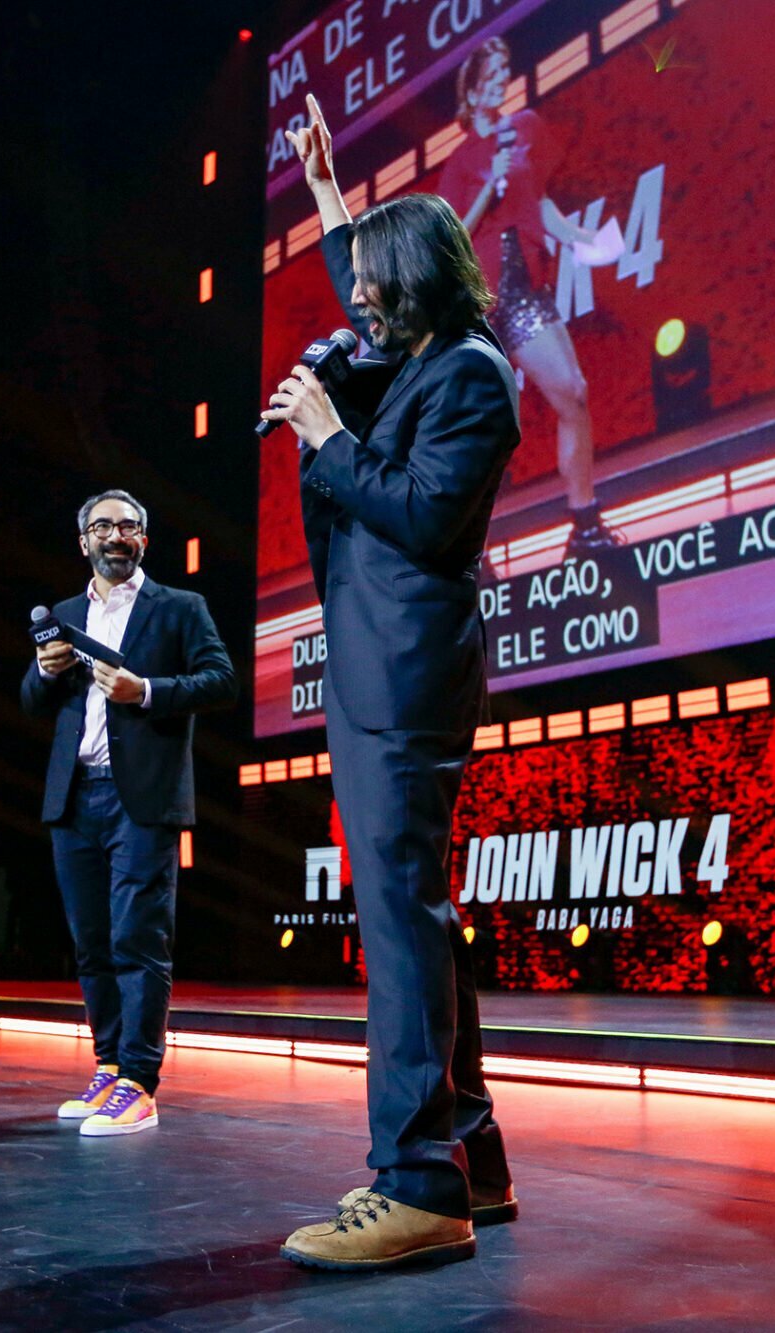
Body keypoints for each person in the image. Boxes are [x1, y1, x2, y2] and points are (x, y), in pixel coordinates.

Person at [267, 94, 520, 1272]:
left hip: (407, 667)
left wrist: (324, 435)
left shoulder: (468, 378)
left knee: (398, 912)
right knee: (413, 906)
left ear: (415, 283)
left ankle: (416, 1183)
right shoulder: (423, 358)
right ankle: (473, 1154)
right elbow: (359, 285)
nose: (353, 302)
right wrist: (326, 192)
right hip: (383, 663)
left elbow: (421, 515)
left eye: (372, 284)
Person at [20, 489, 236, 1137]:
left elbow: (221, 680)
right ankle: (109, 1065)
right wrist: (42, 668)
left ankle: (140, 1083)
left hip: (141, 796)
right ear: (82, 540)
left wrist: (148, 690)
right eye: (103, 526)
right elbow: (33, 701)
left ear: (144, 540)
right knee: (91, 945)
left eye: (130, 526)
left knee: (137, 939)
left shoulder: (179, 608)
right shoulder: (62, 613)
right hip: (74, 796)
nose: (117, 535)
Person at [438, 35, 620, 560]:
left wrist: (582, 240)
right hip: (485, 302)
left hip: (527, 286)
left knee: (575, 392)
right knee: (483, 439)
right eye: (491, 74)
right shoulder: (459, 162)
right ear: (471, 92)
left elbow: (537, 205)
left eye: (505, 70)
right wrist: (485, 187)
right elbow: (454, 234)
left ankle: (584, 523)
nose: (502, 80)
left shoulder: (524, 131)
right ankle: (471, 552)